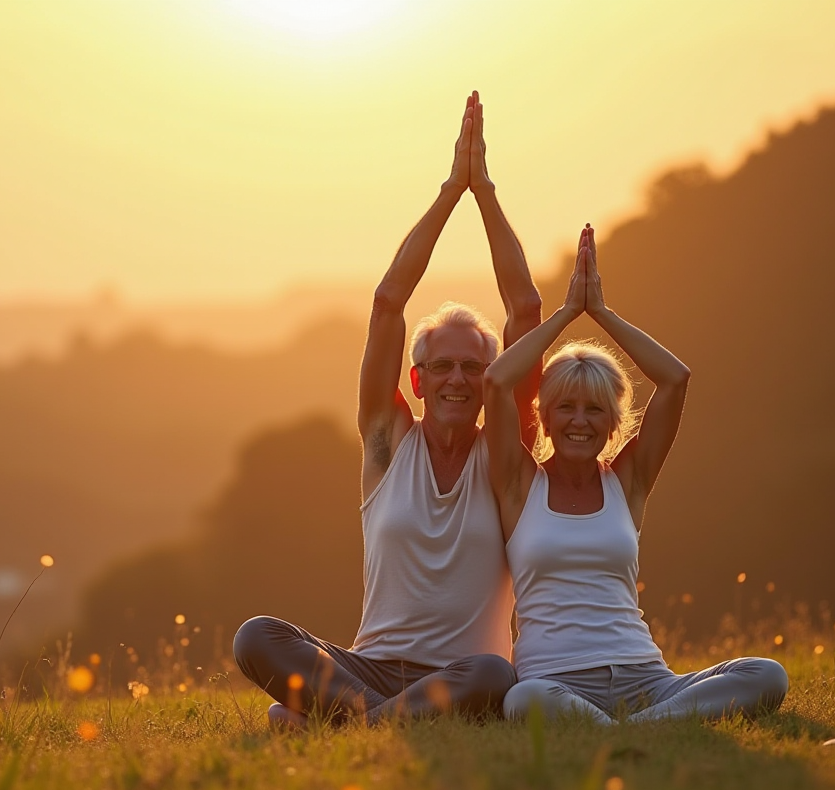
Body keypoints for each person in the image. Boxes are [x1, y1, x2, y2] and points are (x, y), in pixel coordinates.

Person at [233, 91, 540, 727]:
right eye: (443, 366)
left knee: (494, 673)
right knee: (256, 636)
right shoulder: (387, 443)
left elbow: (525, 313)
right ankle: (383, 718)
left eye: (474, 367)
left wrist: (485, 193)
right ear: (417, 381)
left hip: (463, 672)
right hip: (367, 667)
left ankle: (345, 722)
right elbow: (387, 303)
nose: (459, 378)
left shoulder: (505, 453)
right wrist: (450, 190)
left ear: (493, 383)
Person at [485, 224, 789, 723]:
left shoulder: (627, 482)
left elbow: (676, 379)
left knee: (766, 674)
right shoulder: (520, 485)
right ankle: (643, 727)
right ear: (544, 414)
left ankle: (632, 727)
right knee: (522, 700)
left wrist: (601, 313)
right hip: (554, 680)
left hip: (646, 675)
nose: (579, 421)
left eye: (594, 410)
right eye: (565, 407)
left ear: (612, 423)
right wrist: (566, 314)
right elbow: (496, 381)